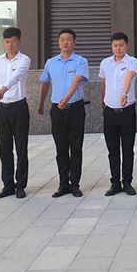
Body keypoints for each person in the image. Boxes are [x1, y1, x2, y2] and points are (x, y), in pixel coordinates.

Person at [38, 29, 89, 198]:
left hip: (75, 109)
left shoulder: (81, 61)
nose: (65, 42)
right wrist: (41, 104)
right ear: (58, 42)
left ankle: (75, 185)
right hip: (57, 111)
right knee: (61, 148)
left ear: (74, 42)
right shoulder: (51, 62)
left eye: (68, 39)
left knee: (76, 147)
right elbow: (45, 83)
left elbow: (77, 81)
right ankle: (63, 184)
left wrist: (66, 99)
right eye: (62, 39)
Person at [0, 27, 32, 199]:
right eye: (7, 42)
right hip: (2, 107)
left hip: (18, 107)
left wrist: (4, 89)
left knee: (21, 147)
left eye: (13, 41)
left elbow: (16, 77)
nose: (10, 45)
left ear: (19, 41)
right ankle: (8, 184)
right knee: (4, 147)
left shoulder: (24, 60)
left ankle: (20, 185)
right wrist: (1, 93)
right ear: (3, 42)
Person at [99, 32, 137, 197]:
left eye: (121, 45)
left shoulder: (133, 62)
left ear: (126, 46)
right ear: (112, 46)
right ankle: (115, 182)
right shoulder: (105, 63)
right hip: (110, 111)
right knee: (112, 150)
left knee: (128, 149)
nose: (118, 48)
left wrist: (124, 93)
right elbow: (103, 84)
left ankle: (127, 182)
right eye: (115, 45)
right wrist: (103, 104)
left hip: (127, 111)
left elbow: (129, 77)